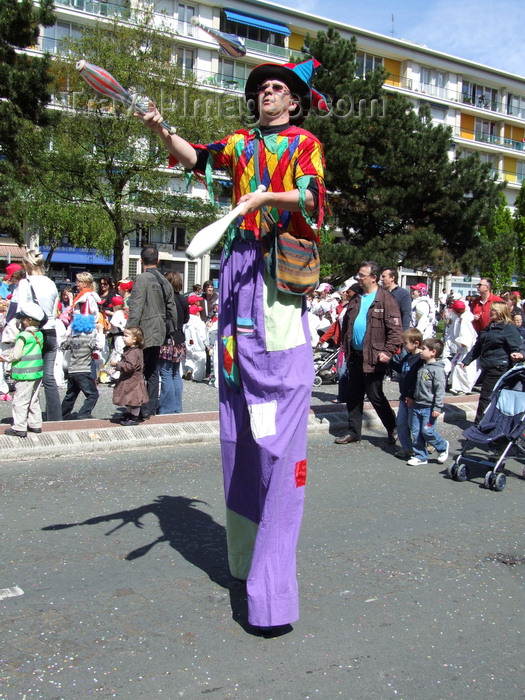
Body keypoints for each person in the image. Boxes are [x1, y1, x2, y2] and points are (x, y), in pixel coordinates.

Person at [139, 57, 327, 631]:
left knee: (275, 441)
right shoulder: (241, 143)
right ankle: (244, 565)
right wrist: (158, 126)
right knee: (237, 431)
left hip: (274, 277)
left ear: (293, 101)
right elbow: (194, 156)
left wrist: (265, 200)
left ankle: (272, 593)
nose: (267, 95)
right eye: (262, 89)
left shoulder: (304, 143)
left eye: (277, 89)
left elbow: (313, 199)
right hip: (234, 275)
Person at [335, 261, 402, 445]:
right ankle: (354, 431)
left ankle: (393, 427)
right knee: (353, 395)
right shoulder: (356, 299)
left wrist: (388, 352)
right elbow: (348, 325)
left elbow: (396, 330)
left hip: (374, 357)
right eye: (359, 275)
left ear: (373, 278)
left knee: (375, 395)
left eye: (362, 275)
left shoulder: (386, 299)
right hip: (355, 355)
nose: (359, 278)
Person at [126, 246, 178, 420]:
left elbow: (136, 307)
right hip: (160, 330)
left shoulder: (142, 279)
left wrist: (130, 331)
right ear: (157, 261)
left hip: (143, 331)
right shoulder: (165, 281)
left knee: (138, 370)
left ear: (141, 261)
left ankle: (138, 408)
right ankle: (150, 407)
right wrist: (173, 330)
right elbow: (172, 309)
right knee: (153, 371)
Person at [17, 250, 61, 421]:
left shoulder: (25, 283)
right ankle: (55, 417)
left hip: (34, 332)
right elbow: (54, 311)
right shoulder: (51, 283)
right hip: (51, 330)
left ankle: (27, 416)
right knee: (48, 376)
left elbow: (22, 309)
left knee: (29, 375)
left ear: (27, 265)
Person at [461, 301, 522, 424]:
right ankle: (489, 424)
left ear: (501, 312)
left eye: (493, 310)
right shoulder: (490, 327)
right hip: (488, 366)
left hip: (499, 367)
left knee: (486, 397)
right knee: (489, 398)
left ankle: (479, 425)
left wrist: (518, 356)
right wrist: (467, 360)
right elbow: (478, 346)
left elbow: (517, 348)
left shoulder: (509, 328)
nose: (490, 312)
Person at [0, 302, 45, 437]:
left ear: (29, 320)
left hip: (24, 372)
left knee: (20, 400)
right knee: (33, 399)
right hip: (37, 371)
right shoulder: (39, 334)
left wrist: (4, 358)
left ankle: (19, 427)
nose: (20, 321)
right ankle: (35, 424)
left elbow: (16, 355)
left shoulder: (23, 336)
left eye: (22, 319)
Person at [406, 338, 449, 466]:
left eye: (424, 349)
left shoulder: (437, 370)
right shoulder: (423, 367)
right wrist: (412, 397)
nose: (421, 351)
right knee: (416, 431)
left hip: (429, 407)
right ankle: (420, 455)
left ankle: (442, 446)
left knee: (427, 431)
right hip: (418, 404)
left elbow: (440, 390)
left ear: (433, 352)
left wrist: (437, 407)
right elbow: (417, 386)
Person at [60, 314, 105, 420]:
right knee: (92, 394)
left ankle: (63, 414)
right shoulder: (89, 339)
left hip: (72, 370)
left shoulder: (72, 338)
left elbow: (63, 346)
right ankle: (84, 413)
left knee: (71, 394)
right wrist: (100, 332)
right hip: (84, 370)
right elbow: (100, 346)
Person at [389, 327, 424, 460]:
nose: (403, 345)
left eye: (406, 343)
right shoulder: (407, 357)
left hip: (412, 398)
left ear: (416, 343)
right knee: (402, 423)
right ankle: (407, 448)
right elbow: (400, 369)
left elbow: (417, 381)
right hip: (403, 396)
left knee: (414, 426)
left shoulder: (420, 359)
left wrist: (412, 396)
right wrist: (389, 362)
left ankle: (421, 448)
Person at [158, 271, 189, 414]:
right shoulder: (183, 299)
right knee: (176, 374)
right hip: (180, 339)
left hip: (167, 339)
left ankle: (166, 408)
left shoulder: (164, 300)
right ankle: (177, 407)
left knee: (165, 373)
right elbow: (187, 319)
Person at [111, 326, 149, 426]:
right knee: (128, 399)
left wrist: (117, 364)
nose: (123, 338)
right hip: (128, 380)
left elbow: (130, 366)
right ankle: (130, 414)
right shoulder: (130, 350)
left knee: (134, 401)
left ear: (135, 339)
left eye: (126, 336)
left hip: (133, 381)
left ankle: (135, 417)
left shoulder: (134, 352)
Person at [447, 299, 479, 395]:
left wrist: (461, 344)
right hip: (462, 348)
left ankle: (464, 387)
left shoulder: (465, 319)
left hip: (466, 348)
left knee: (464, 368)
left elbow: (466, 336)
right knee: (456, 365)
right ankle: (456, 385)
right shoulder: (461, 318)